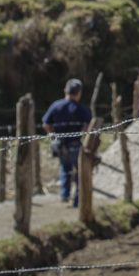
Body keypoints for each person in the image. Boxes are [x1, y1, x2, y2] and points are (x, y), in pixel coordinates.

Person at [42, 79, 92, 207]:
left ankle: (64, 195)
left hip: (59, 143)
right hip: (75, 143)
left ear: (66, 90)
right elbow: (88, 127)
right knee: (80, 171)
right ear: (79, 93)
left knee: (65, 169)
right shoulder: (82, 109)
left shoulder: (56, 106)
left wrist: (53, 137)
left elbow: (46, 124)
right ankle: (77, 200)